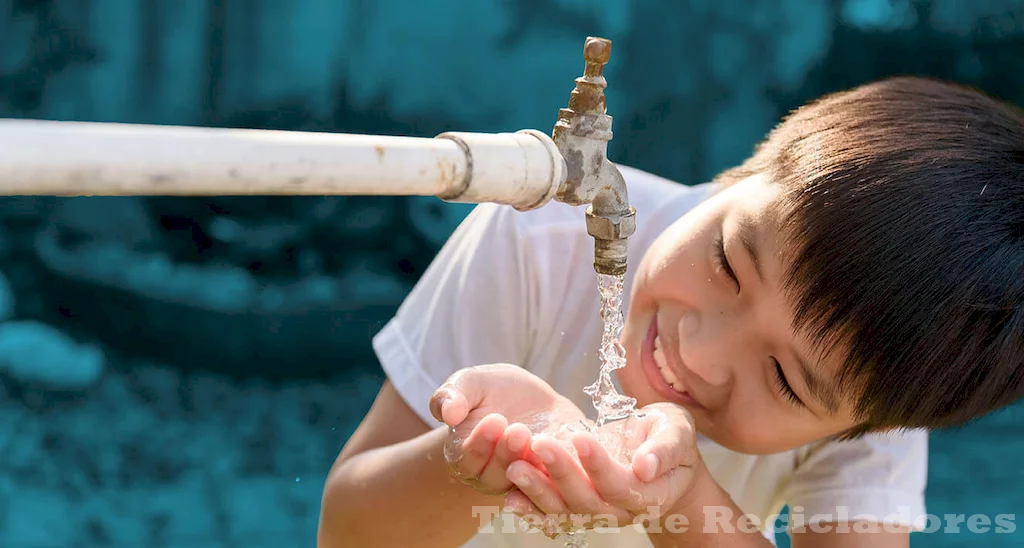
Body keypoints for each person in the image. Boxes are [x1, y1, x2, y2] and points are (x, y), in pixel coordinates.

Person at [318, 76, 1024, 547]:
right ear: (745, 170)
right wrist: (471, 459)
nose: (699, 351)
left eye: (782, 378)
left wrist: (684, 501)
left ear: (866, 425)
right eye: (726, 263)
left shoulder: (875, 387)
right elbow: (346, 532)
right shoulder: (542, 245)